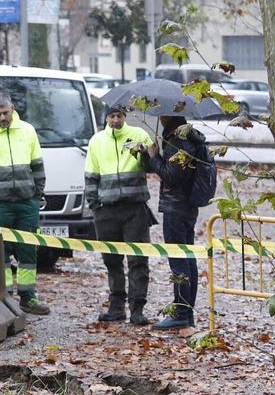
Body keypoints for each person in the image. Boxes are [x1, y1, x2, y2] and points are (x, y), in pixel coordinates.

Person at [0, 91, 50, 315]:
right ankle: (3, 298)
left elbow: (38, 167)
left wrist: (35, 197)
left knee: (28, 252)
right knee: (0, 254)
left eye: (5, 113)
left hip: (26, 204)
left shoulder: (27, 131)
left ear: (12, 108)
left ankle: (28, 297)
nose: (3, 118)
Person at [85, 105, 155, 325]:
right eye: (112, 116)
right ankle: (116, 308)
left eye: (119, 116)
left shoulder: (138, 135)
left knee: (138, 260)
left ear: (125, 117)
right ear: (106, 118)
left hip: (135, 209)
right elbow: (91, 175)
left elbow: (153, 165)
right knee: (112, 260)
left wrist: (146, 154)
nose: (116, 120)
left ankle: (137, 309)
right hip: (106, 211)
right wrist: (95, 206)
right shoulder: (97, 141)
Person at [144, 115, 213, 329]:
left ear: (169, 116)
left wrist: (155, 156)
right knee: (187, 258)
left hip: (177, 207)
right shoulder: (187, 137)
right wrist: (151, 157)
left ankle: (182, 312)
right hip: (186, 206)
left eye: (161, 113)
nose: (159, 117)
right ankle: (185, 311)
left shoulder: (178, 141)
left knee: (179, 260)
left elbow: (171, 175)